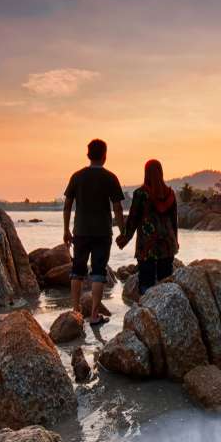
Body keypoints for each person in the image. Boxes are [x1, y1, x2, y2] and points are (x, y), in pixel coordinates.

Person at [63, 139, 125, 326]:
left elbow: (67, 207)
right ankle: (95, 316)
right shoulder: (110, 177)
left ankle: (76, 313)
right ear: (105, 156)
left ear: (88, 155)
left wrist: (66, 230)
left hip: (80, 231)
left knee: (77, 271)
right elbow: (118, 209)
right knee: (98, 272)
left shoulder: (77, 176)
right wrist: (123, 232)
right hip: (102, 232)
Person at [117, 159, 178, 293]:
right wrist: (176, 242)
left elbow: (132, 220)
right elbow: (174, 222)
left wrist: (124, 239)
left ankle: (148, 311)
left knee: (146, 284)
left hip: (146, 247)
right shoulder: (170, 195)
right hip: (167, 245)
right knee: (166, 283)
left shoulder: (140, 194)